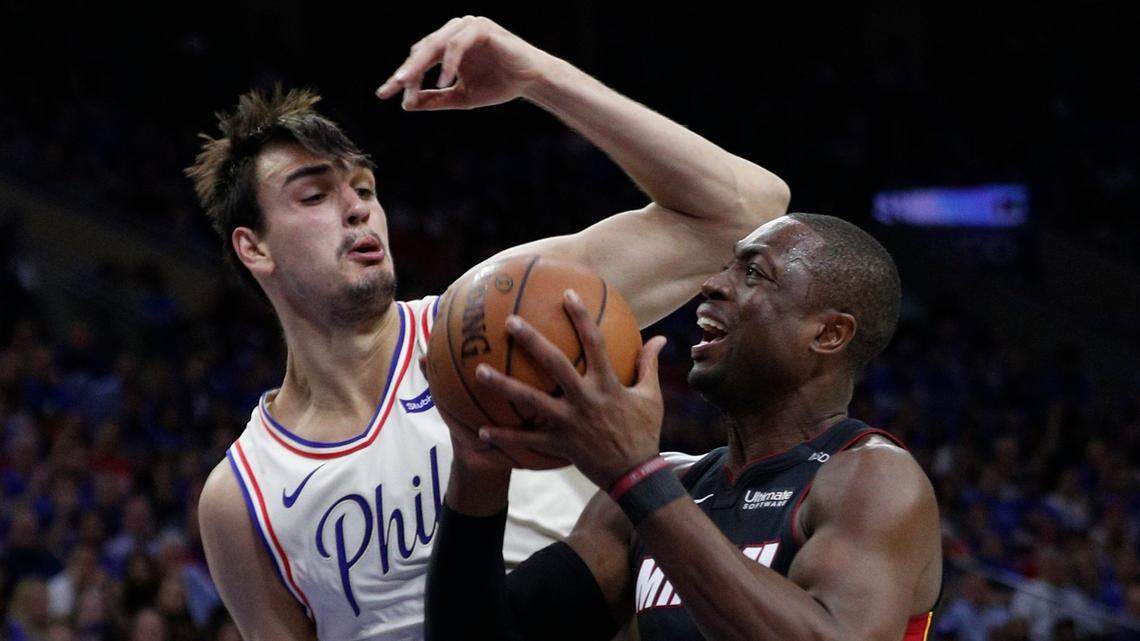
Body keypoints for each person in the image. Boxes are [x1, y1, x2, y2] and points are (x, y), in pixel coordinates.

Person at [190, 15, 790, 641]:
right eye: (314, 196)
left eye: (364, 187)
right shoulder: (241, 496)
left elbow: (748, 212)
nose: (357, 207)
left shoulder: (491, 315)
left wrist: (539, 75)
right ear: (253, 249)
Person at [425, 213, 942, 641]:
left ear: (829, 334)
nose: (712, 284)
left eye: (753, 273)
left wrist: (635, 474)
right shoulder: (671, 487)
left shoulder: (871, 478)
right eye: (724, 268)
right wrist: (479, 467)